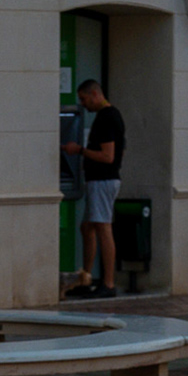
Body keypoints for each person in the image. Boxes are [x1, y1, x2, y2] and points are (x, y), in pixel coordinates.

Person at [62, 79, 124, 299]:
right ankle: (86, 278)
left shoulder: (108, 117)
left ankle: (108, 283)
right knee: (87, 227)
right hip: (98, 180)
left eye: (84, 99)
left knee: (102, 227)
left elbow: (108, 157)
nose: (83, 104)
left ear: (95, 94)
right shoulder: (105, 117)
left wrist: (79, 150)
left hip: (103, 180)